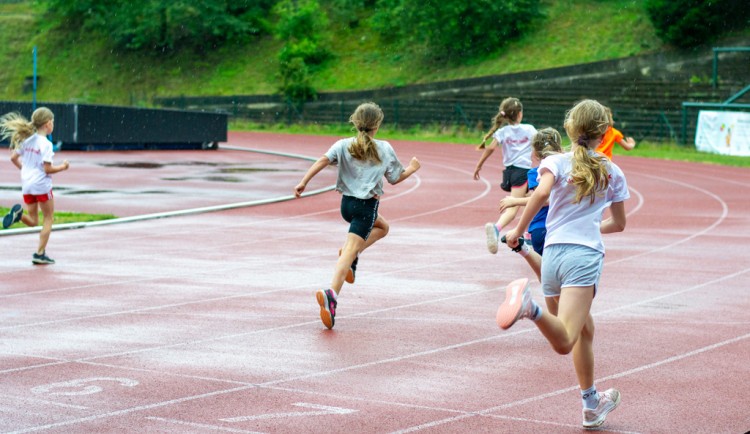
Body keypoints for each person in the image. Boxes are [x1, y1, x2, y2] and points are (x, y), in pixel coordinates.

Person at [496, 99, 629, 429]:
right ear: (604, 133)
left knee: (585, 329)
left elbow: (539, 196)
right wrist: (590, 228)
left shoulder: (554, 162)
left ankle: (591, 403)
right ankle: (530, 308)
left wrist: (517, 232)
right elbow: (619, 224)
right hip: (582, 258)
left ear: (569, 129)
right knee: (566, 339)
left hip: (552, 255)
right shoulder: (611, 170)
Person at [294, 102, 420, 329]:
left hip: (347, 206)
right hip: (366, 208)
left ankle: (351, 254)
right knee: (351, 249)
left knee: (383, 228)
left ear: (356, 121)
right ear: (377, 125)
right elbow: (395, 178)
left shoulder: (343, 144)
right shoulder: (384, 148)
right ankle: (332, 293)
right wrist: (412, 168)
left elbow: (323, 160)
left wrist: (304, 181)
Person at [1, 108, 70, 264]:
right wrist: (63, 167)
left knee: (33, 220)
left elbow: (13, 158)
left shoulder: (27, 139)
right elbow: (47, 169)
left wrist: (26, 172)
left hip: (27, 184)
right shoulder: (46, 144)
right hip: (41, 185)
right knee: (48, 218)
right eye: (52, 122)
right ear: (47, 124)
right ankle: (39, 254)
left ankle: (18, 215)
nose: (53, 124)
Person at [473, 97, 536, 255]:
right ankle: (496, 228)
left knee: (534, 199)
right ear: (520, 114)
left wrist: (479, 165)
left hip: (509, 173)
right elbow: (541, 143)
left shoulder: (503, 132)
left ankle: (529, 234)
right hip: (522, 172)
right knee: (514, 209)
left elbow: (490, 149)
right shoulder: (529, 130)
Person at [498, 127, 563, 281]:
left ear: (534, 153)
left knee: (548, 278)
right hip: (561, 227)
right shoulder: (567, 168)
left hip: (542, 228)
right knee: (560, 276)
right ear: (560, 148)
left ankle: (523, 249)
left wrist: (515, 201)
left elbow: (543, 199)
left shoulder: (536, 172)